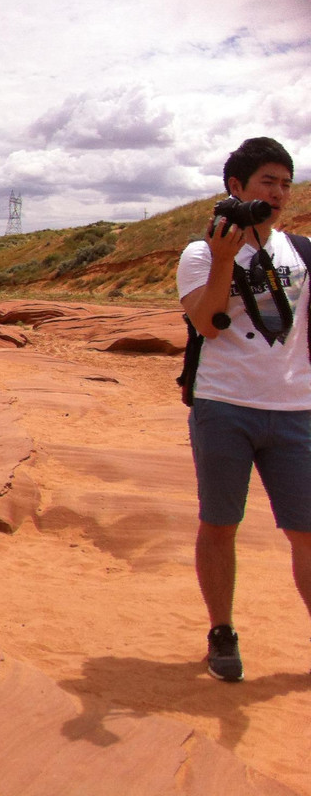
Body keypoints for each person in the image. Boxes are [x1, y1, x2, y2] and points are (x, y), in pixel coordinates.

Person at [176, 136, 311, 682]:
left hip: (297, 409)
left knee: (306, 531)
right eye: (267, 182)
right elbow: (206, 323)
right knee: (220, 523)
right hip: (224, 406)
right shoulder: (202, 253)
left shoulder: (302, 251)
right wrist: (226, 262)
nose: (279, 193)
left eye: (286, 182)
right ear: (236, 187)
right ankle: (222, 630)